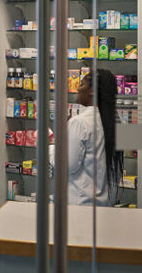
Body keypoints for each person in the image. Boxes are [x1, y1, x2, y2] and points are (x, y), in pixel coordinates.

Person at [50, 68, 123, 206]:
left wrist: (51, 146)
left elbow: (66, 166)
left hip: (80, 205)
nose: (78, 89)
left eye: (82, 85)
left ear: (92, 91)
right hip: (105, 205)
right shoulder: (117, 122)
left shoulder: (80, 123)